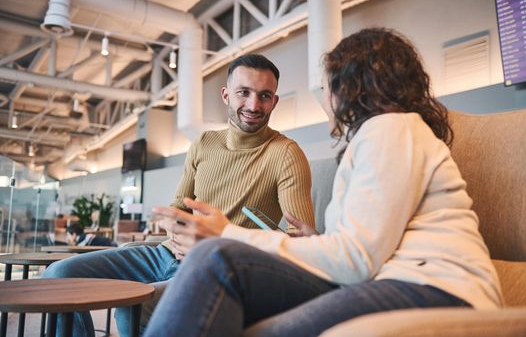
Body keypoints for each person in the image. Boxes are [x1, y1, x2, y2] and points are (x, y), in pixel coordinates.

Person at [144, 28, 503, 337]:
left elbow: (357, 259)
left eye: (329, 86)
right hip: (397, 278)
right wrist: (322, 243)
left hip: (436, 288)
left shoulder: (391, 128)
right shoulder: (386, 135)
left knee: (218, 257)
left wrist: (227, 233)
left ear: (351, 88)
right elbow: (367, 245)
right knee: (221, 267)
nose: (326, 99)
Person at [43, 53, 315, 337]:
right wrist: (171, 220)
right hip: (167, 253)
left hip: (214, 266)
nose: (253, 104)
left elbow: (301, 242)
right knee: (58, 276)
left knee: (133, 306)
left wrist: (222, 238)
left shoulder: (285, 153)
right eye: (243, 93)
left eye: (264, 96)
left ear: (275, 101)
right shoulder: (204, 142)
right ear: (225, 95)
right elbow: (179, 205)